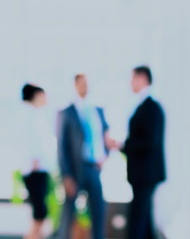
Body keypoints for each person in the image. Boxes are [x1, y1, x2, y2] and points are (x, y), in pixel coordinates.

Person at [56, 74, 109, 239]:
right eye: (81, 83)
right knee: (68, 212)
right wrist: (66, 175)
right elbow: (62, 147)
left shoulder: (97, 110)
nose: (85, 86)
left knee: (98, 210)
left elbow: (105, 137)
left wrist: (104, 156)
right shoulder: (66, 112)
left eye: (87, 83)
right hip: (75, 169)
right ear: (75, 85)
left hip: (94, 167)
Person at [118, 66, 166, 239]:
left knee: (138, 218)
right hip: (143, 174)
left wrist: (124, 145)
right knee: (144, 219)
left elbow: (149, 141)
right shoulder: (144, 106)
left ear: (143, 78)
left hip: (146, 174)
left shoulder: (151, 107)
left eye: (133, 78)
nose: (130, 83)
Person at [18, 84, 54, 239]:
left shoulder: (36, 115)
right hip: (35, 171)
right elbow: (25, 143)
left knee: (40, 214)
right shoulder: (28, 115)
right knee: (39, 214)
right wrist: (33, 162)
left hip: (39, 170)